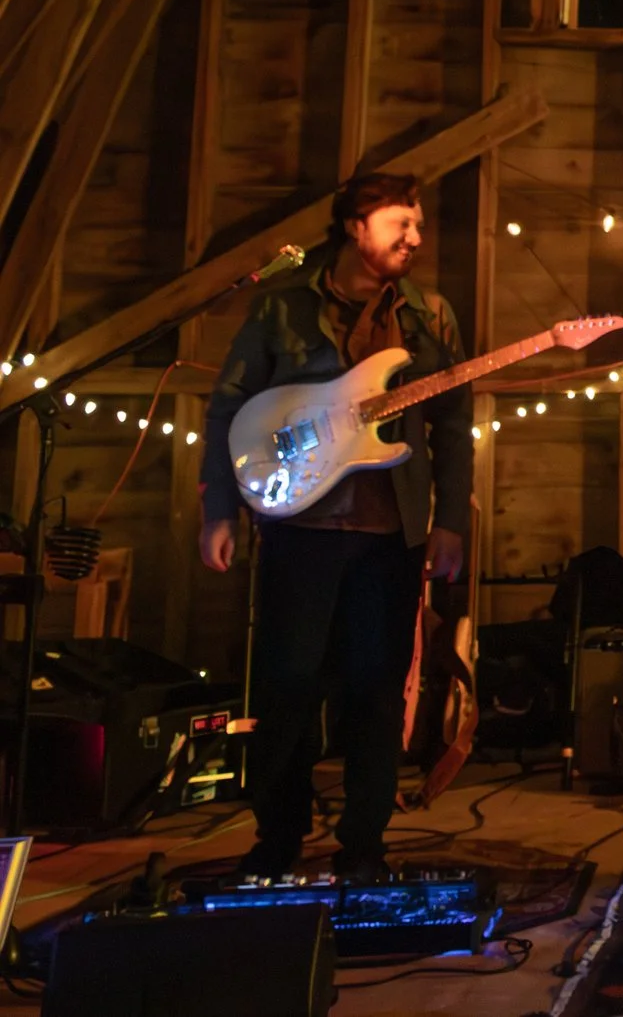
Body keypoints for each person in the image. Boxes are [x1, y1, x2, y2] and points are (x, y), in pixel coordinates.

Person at [200, 173, 471, 882]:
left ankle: (364, 844)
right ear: (356, 225)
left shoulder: (428, 315)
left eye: (417, 225)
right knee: (287, 684)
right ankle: (277, 836)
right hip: (300, 529)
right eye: (399, 224)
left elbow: (454, 421)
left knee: (378, 690)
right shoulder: (283, 305)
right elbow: (228, 408)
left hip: (391, 535)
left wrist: (450, 522)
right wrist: (218, 509)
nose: (415, 237)